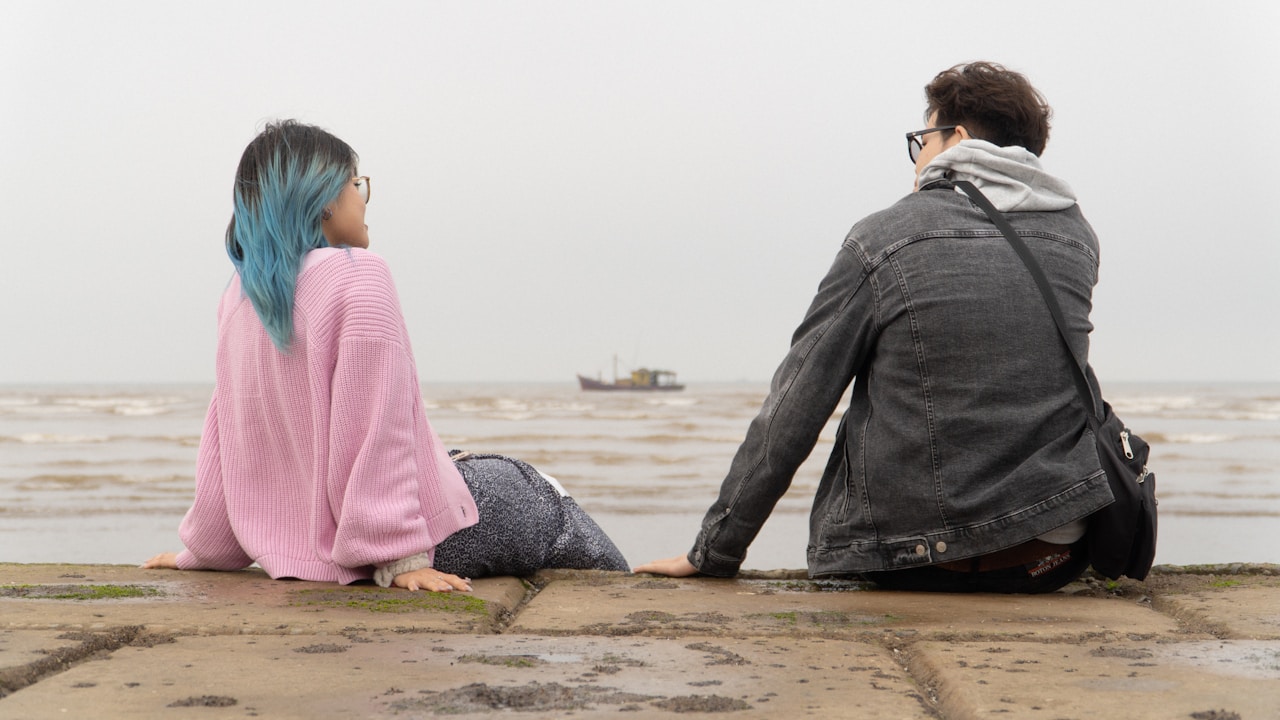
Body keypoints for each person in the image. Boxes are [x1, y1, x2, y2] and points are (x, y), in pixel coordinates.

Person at [637, 62, 1113, 593]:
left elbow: (797, 403)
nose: (919, 157)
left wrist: (716, 550)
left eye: (922, 140)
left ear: (956, 139)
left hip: (923, 559)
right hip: (1056, 554)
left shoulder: (884, 236)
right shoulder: (1077, 237)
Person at [144, 120, 627, 592]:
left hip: (335, 535)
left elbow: (229, 439)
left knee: (459, 464)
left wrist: (204, 551)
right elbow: (376, 425)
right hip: (425, 534)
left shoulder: (241, 298)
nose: (364, 198)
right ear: (323, 199)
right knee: (547, 502)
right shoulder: (357, 273)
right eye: (356, 184)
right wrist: (401, 558)